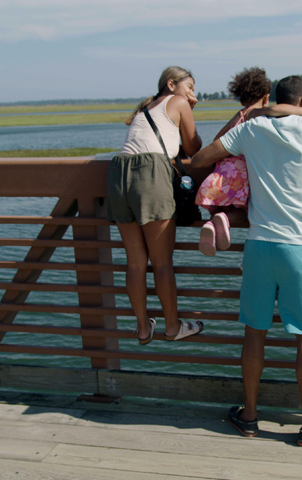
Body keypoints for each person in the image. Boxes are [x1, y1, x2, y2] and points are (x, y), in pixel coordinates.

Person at [191, 76, 302, 447]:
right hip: (300, 247)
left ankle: (250, 416)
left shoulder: (254, 128)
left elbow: (201, 158)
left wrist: (258, 114)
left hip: (259, 245)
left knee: (254, 331)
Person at [106, 66, 205, 345]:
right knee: (162, 262)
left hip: (118, 173)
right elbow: (194, 147)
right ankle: (172, 326)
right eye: (190, 87)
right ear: (172, 84)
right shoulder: (179, 102)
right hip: (149, 174)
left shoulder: (146, 108)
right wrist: (189, 109)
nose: (193, 94)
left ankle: (142, 328)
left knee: (136, 263)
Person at [195, 67, 302, 256]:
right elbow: (300, 112)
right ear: (266, 96)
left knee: (224, 207)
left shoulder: (238, 117)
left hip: (224, 173)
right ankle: (223, 219)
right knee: (247, 212)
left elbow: (216, 143)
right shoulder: (263, 115)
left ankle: (213, 223)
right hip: (246, 174)